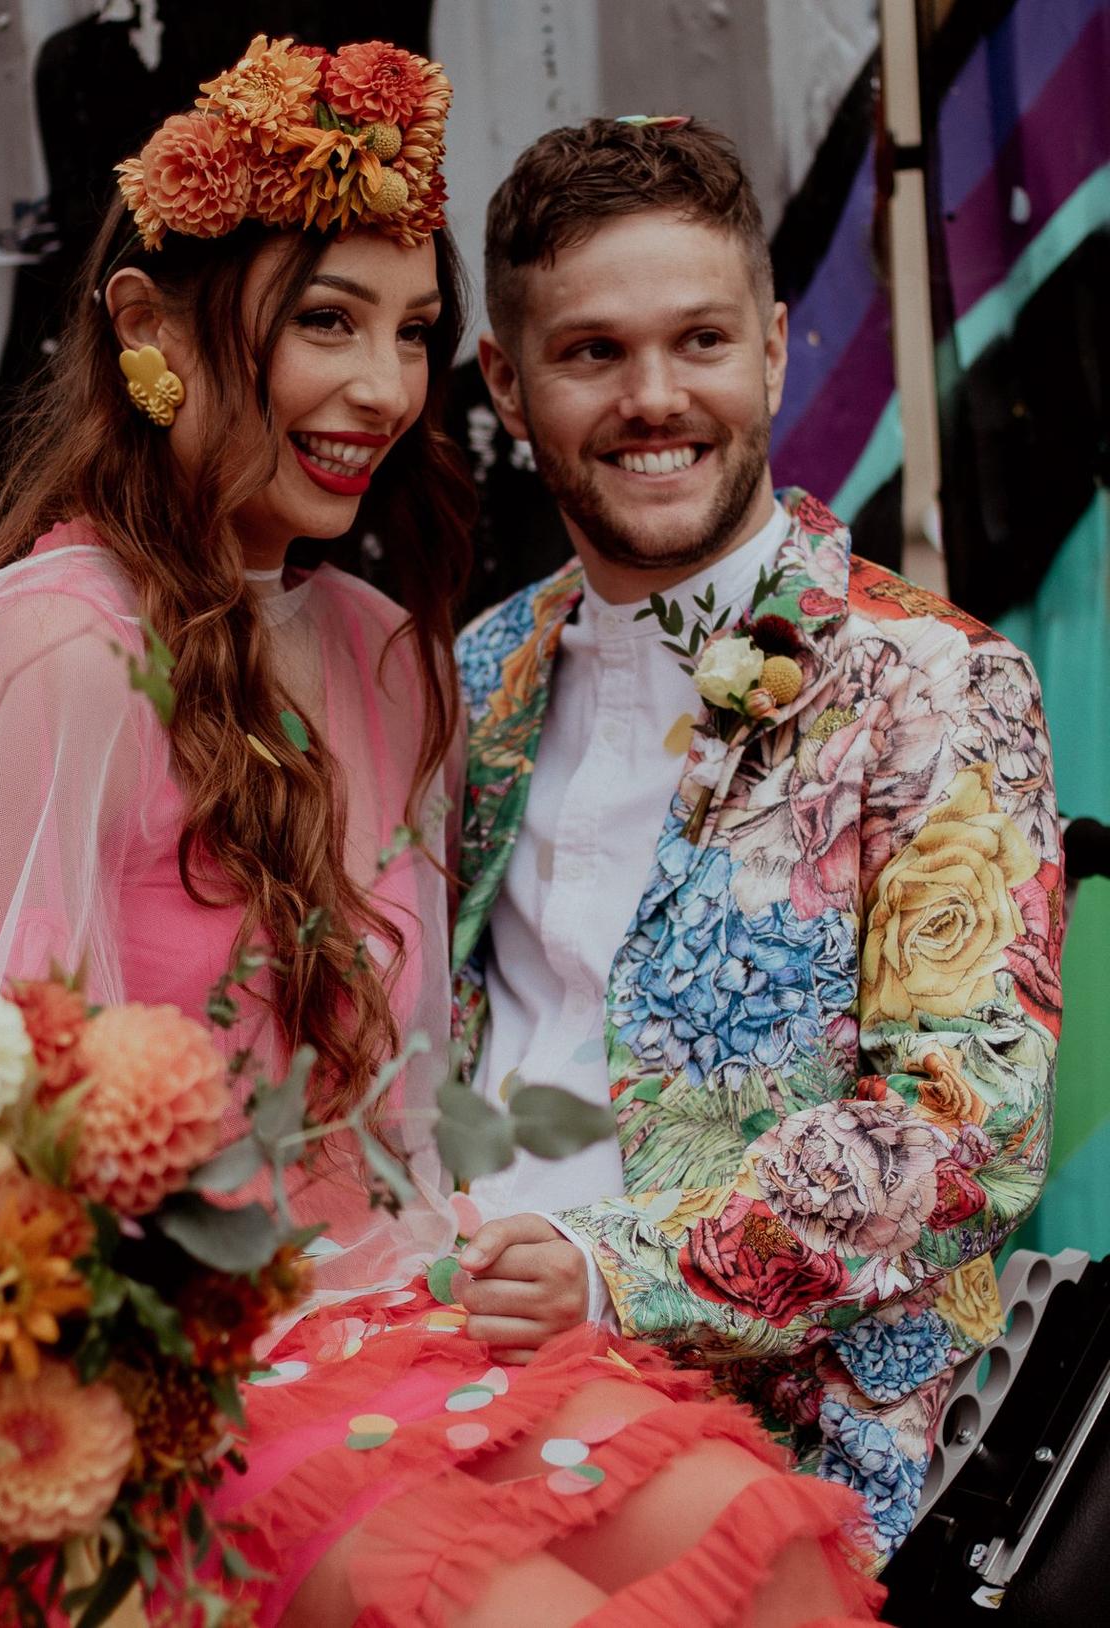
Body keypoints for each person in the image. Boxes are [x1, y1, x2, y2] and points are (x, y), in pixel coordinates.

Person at [0, 45, 880, 1628]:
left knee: (768, 1544)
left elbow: (396, 1105)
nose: (386, 391)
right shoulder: (58, 649)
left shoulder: (388, 653)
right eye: (326, 321)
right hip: (168, 1373)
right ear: (147, 330)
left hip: (394, 1306)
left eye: (411, 333)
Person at [452, 114, 1064, 1573]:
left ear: (776, 351)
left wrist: (612, 1273)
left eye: (702, 342)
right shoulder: (481, 674)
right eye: (592, 351)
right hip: (452, 1364)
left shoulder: (931, 681)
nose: (655, 399)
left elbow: (968, 1125)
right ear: (505, 383)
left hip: (783, 1441)